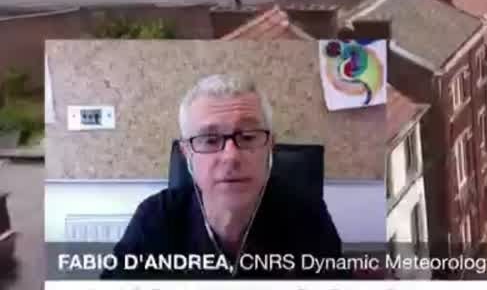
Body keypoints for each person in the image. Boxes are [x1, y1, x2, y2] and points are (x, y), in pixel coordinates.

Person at [104, 73, 347, 279]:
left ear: (270, 146)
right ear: (187, 152)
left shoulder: (307, 215)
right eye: (210, 140)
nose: (231, 156)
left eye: (249, 136)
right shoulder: (157, 217)